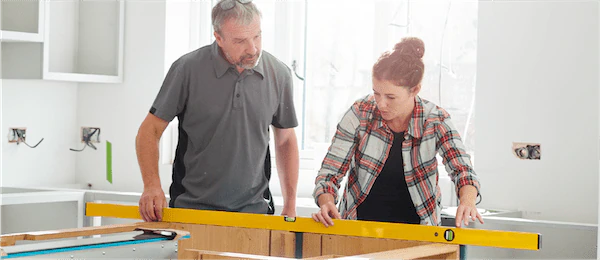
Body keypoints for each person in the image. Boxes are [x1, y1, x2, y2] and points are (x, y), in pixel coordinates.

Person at [136, 0, 299, 222]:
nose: (252, 49)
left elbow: (286, 140)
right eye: (240, 41)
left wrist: (290, 203)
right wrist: (151, 185)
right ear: (219, 38)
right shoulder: (187, 69)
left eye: (257, 37)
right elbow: (150, 130)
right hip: (191, 211)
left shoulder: (279, 74)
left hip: (254, 214)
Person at [311, 37, 482, 228]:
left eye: (390, 97)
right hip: (360, 229)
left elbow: (463, 171)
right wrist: (326, 201)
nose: (381, 103)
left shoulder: (435, 120)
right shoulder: (360, 113)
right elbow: (330, 173)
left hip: (418, 231)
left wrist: (467, 201)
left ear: (415, 90)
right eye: (376, 93)